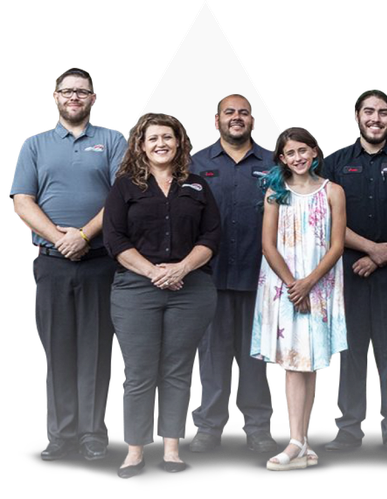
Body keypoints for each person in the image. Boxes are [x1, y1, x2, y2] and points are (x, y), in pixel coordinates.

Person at [11, 68, 127, 461]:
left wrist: (83, 236)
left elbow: (121, 198)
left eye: (82, 91)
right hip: (51, 263)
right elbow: (22, 200)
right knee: (57, 347)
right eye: (67, 91)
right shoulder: (35, 144)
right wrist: (61, 239)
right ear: (55, 97)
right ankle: (59, 434)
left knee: (96, 349)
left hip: (100, 262)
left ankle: (93, 433)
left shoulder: (113, 140)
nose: (74, 97)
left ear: (94, 98)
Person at [103, 113, 220, 479]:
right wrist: (155, 271)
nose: (160, 144)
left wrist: (181, 269)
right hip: (137, 288)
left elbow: (212, 237)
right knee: (139, 372)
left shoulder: (197, 185)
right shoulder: (124, 186)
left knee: (178, 369)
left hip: (191, 289)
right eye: (152, 138)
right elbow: (114, 239)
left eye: (167, 137)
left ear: (179, 142)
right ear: (140, 145)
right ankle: (135, 451)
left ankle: (172, 450)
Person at [322, 89, 387, 452]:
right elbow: (331, 219)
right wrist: (370, 249)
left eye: (382, 113)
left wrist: (385, 253)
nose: (375, 119)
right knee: (350, 351)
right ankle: (349, 428)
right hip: (348, 270)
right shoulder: (334, 163)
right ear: (356, 117)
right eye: (369, 112)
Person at [250, 127, 347, 471]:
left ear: (314, 152)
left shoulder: (333, 191)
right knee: (293, 363)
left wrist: (309, 283)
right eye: (290, 153)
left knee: (308, 362)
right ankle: (296, 442)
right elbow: (268, 245)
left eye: (303, 150)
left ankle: (302, 441)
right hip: (284, 287)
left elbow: (336, 245)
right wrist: (294, 285)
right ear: (281, 159)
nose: (298, 157)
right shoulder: (275, 192)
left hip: (319, 284)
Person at [188, 94, 277, 454]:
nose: (237, 118)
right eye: (230, 112)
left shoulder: (274, 163)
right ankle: (209, 427)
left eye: (243, 112)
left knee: (256, 357)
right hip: (209, 278)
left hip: (261, 277)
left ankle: (257, 427)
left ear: (253, 121)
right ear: (217, 120)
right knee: (211, 356)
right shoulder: (196, 164)